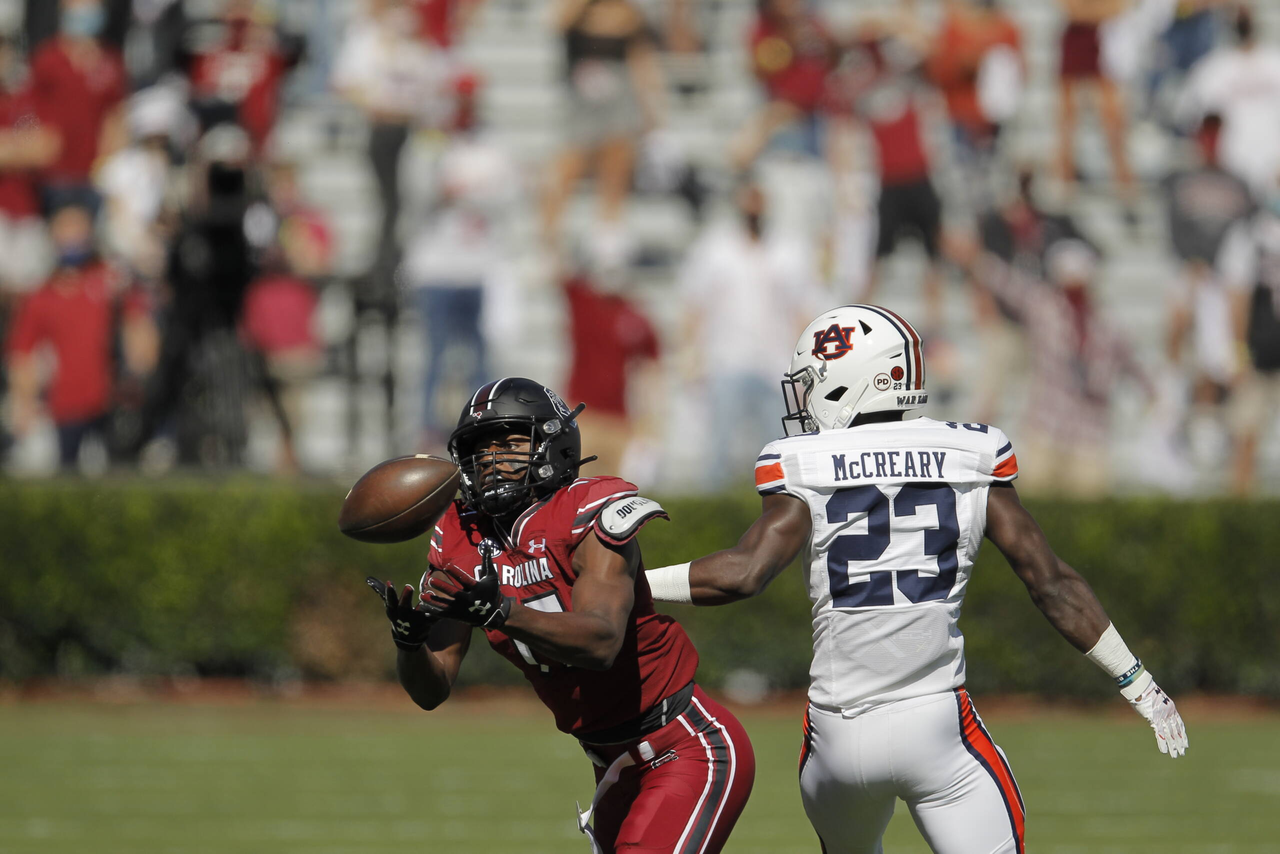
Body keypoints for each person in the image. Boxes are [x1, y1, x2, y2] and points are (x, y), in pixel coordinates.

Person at [641, 305, 1189, 854]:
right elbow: (1050, 583)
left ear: (860, 380)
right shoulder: (969, 453)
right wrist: (1136, 680)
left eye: (814, 382)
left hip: (836, 736)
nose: (806, 398)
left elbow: (743, 574)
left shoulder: (803, 461)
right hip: (934, 726)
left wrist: (636, 586)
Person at [368, 377, 755, 854]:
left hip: (684, 745)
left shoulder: (589, 511)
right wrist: (409, 644)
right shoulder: (459, 537)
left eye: (509, 443)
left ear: (553, 444)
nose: (491, 460)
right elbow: (433, 689)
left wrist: (499, 611)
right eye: (479, 448)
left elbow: (601, 642)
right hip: (612, 765)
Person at [5, 203, 153, 470]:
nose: (72, 239)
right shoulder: (41, 297)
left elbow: (138, 326)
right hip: (65, 406)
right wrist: (24, 403)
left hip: (111, 401)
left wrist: (138, 369)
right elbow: (22, 354)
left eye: (78, 231)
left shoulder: (108, 281)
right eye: (66, 231)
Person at [542, 0, 665, 246]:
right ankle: (550, 245)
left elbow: (641, 60)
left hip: (619, 97)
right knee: (565, 171)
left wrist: (654, 111)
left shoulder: (631, 13)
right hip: (582, 100)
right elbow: (556, 22)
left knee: (615, 171)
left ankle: (607, 244)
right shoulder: (576, 9)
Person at [29, 0, 128, 212]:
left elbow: (116, 117)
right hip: (53, 176)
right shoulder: (47, 59)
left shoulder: (111, 62)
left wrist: (109, 162)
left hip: (93, 177)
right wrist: (32, 145)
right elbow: (26, 111)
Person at [1056, 0, 1136, 220]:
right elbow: (1069, 8)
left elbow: (1120, 7)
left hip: (1104, 41)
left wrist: (1090, 12)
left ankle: (1124, 184)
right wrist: (1098, 11)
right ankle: (1065, 181)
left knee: (1113, 119)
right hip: (1080, 39)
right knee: (1067, 118)